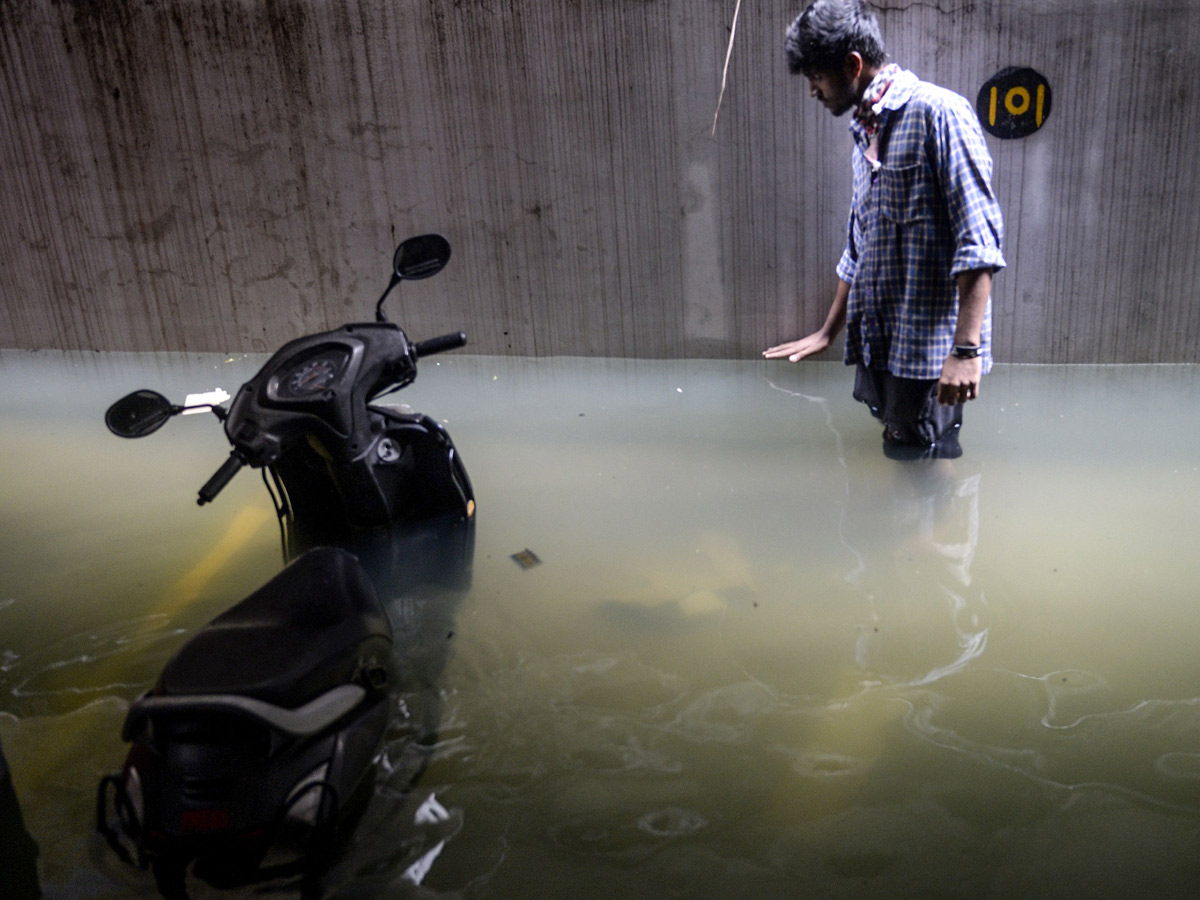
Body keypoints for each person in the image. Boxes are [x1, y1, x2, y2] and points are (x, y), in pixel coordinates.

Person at [764, 0, 1005, 460]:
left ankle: (936, 530)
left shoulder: (939, 114)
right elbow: (860, 248)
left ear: (852, 65)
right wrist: (828, 331)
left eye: (816, 76)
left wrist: (966, 353)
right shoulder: (867, 131)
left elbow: (980, 241)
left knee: (925, 459)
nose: (812, 90)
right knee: (900, 447)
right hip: (881, 342)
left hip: (926, 355)